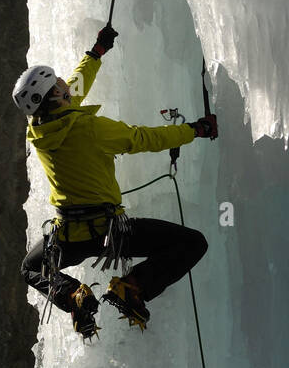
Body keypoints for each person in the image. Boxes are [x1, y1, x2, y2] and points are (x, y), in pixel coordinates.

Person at [13, 26, 217, 338]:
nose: (64, 82)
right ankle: (132, 286)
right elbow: (142, 138)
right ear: (55, 94)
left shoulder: (37, 132)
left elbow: (73, 93)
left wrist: (95, 54)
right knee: (193, 243)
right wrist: (194, 130)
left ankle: (74, 297)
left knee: (30, 267)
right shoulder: (88, 128)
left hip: (69, 236)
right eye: (57, 81)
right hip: (111, 233)